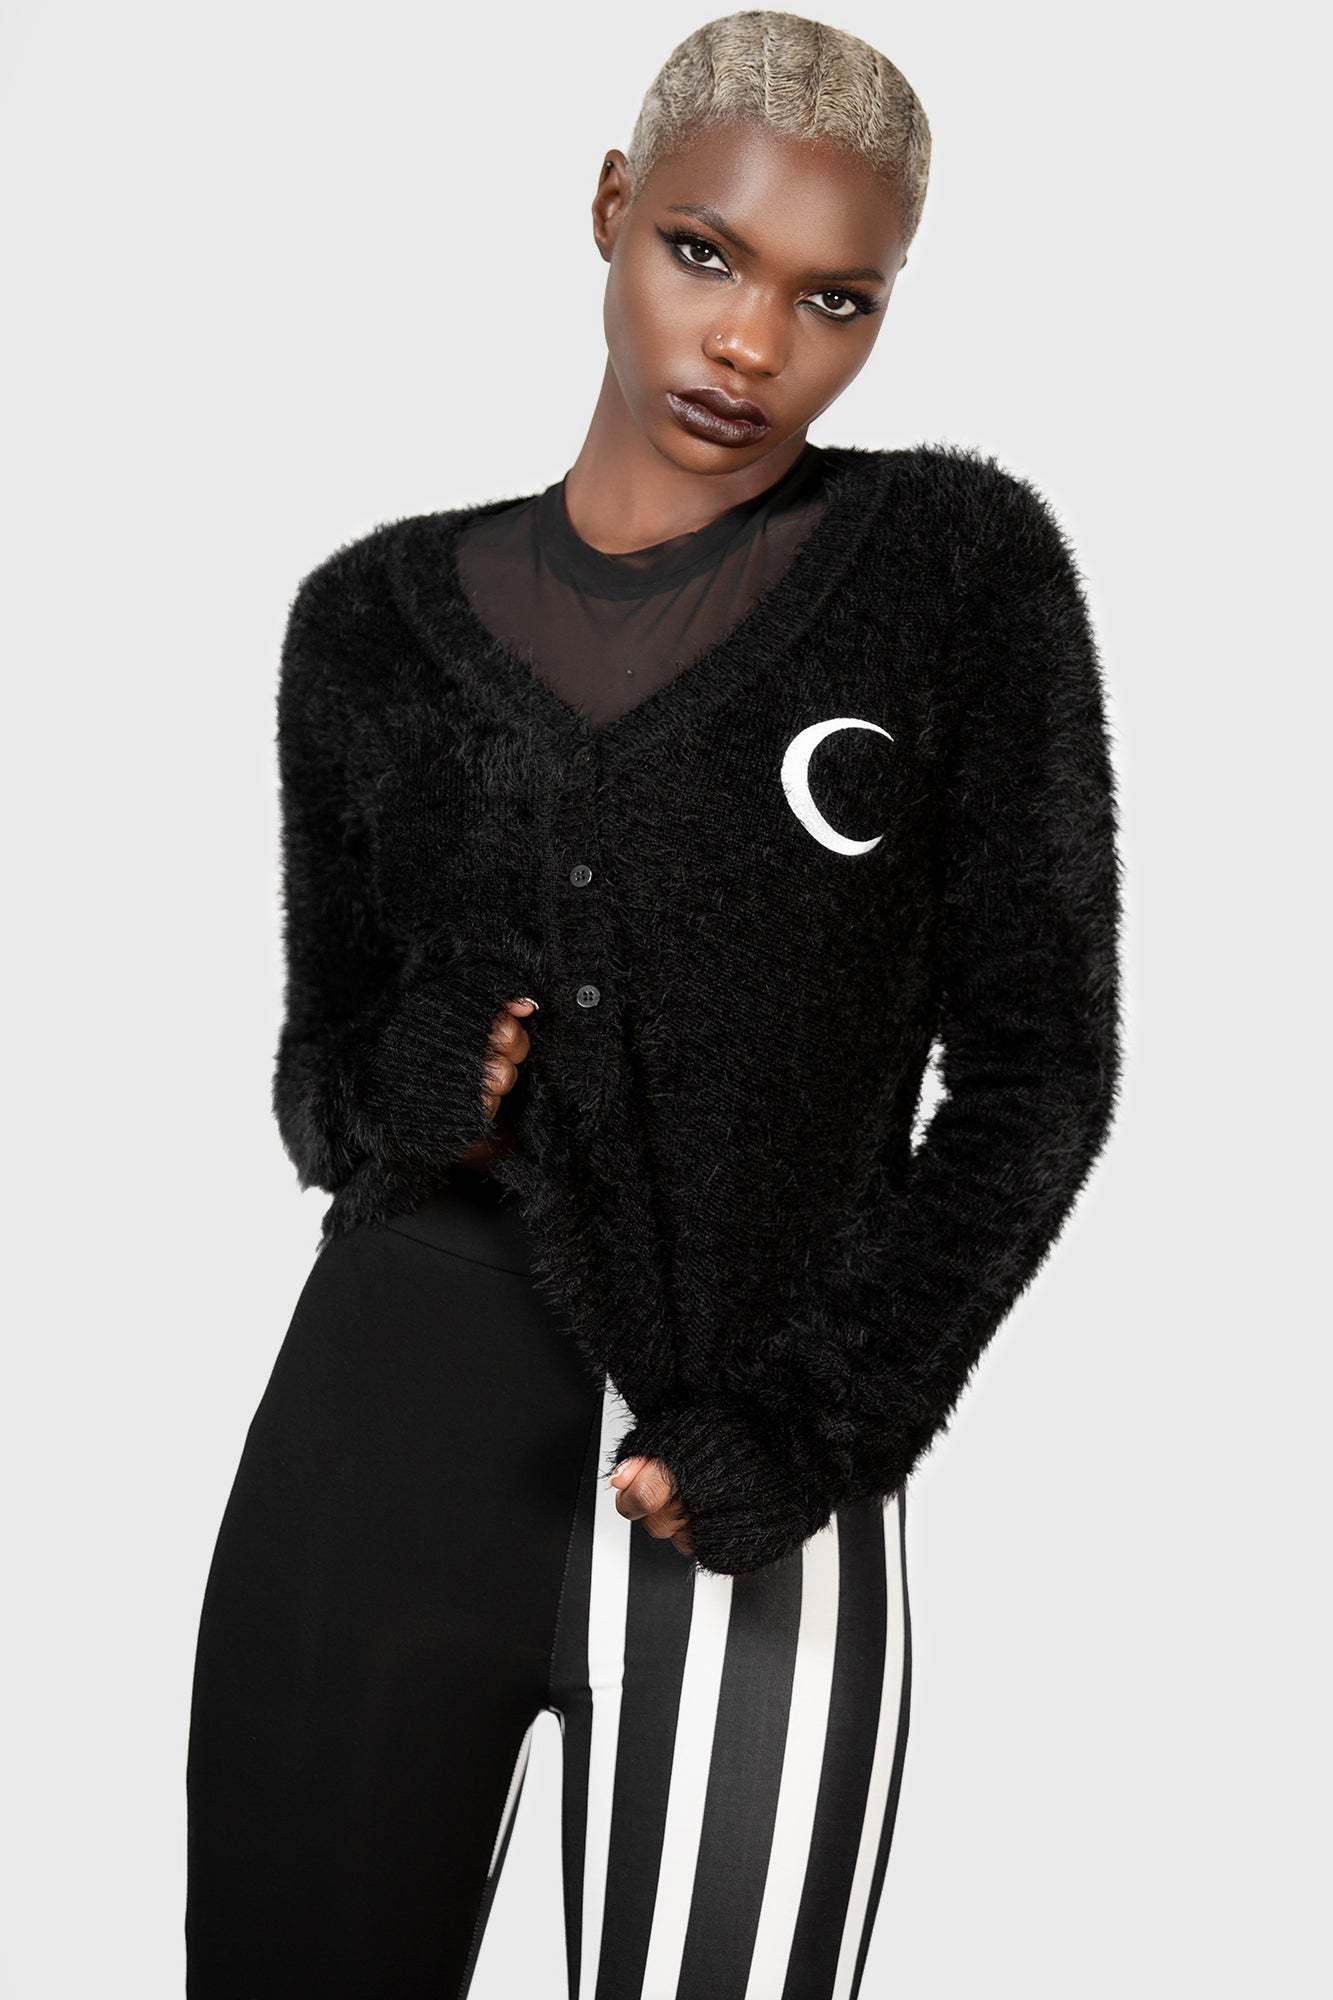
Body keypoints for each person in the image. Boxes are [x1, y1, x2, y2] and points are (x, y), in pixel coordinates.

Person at [185, 10, 1123, 1997]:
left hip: (749, 1491)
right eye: (704, 251)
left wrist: (822, 1422)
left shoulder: (953, 572)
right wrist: (415, 1079)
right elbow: (316, 1089)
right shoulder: (366, 623)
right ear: (612, 206)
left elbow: (1038, 1069)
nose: (751, 342)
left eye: (834, 298)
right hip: (379, 1451)